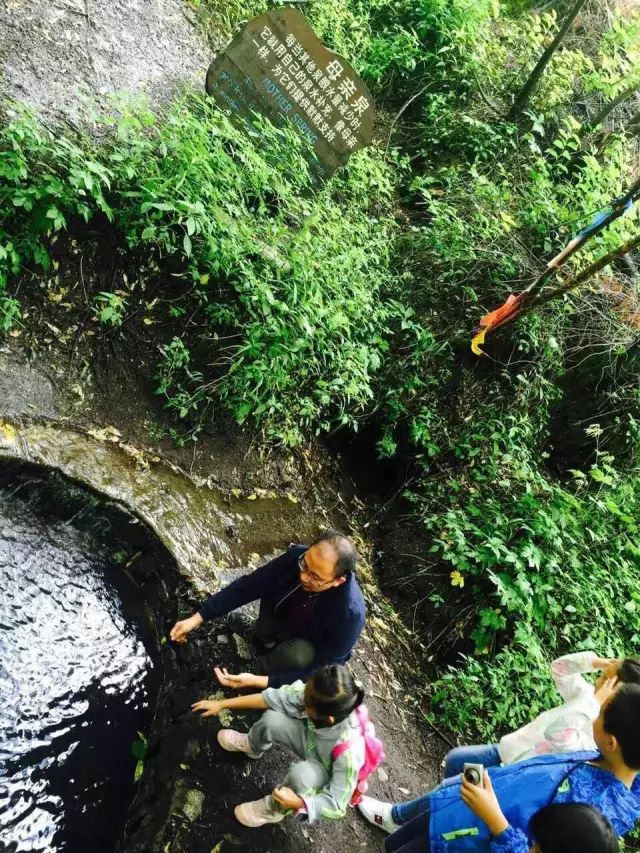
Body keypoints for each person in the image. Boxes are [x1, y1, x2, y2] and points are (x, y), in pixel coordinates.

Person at [359, 651, 640, 833]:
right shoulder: (587, 701)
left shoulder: (594, 736)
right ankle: (429, 818)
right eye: (601, 678)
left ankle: (397, 817)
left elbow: (559, 732)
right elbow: (559, 669)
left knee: (449, 789)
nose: (598, 685)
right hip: (505, 752)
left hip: (508, 780)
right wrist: (595, 663)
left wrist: (594, 705)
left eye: (605, 682)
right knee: (457, 761)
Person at [170, 530, 365, 688]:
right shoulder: (296, 556)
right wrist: (198, 617)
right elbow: (250, 586)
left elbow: (323, 668)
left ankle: (258, 668)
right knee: (270, 587)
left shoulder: (349, 614)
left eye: (315, 577)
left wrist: (263, 682)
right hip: (285, 616)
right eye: (304, 565)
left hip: (305, 645)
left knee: (299, 654)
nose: (304, 577)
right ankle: (261, 635)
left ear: (338, 581)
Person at [192, 664, 369, 827]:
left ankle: (273, 809)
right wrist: (221, 704)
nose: (301, 699)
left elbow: (338, 805)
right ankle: (252, 745)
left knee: (303, 775)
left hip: (324, 767)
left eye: (306, 703)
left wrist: (300, 803)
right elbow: (270, 699)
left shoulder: (350, 752)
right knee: (272, 719)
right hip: (310, 737)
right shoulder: (318, 694)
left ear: (328, 718)